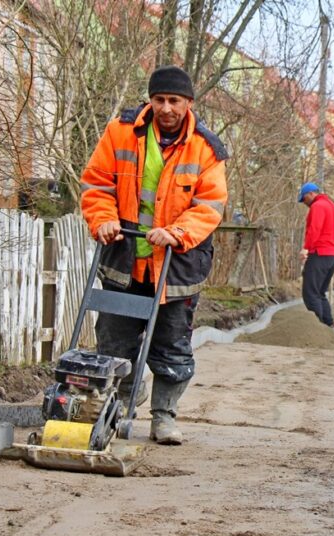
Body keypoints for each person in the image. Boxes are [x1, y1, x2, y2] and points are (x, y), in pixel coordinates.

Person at [80, 65, 228, 445]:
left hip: (176, 265)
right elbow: (96, 183)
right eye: (159, 99)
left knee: (172, 345)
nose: (166, 108)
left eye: (174, 101)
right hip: (124, 257)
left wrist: (176, 233)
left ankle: (164, 416)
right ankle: (120, 402)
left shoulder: (207, 148)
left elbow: (210, 205)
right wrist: (104, 220)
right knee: (115, 341)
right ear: (150, 100)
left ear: (189, 103)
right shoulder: (120, 132)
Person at [298, 182, 334, 327]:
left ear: (311, 193)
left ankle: (317, 328)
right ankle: (328, 324)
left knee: (310, 293)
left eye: (304, 199)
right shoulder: (333, 207)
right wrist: (332, 245)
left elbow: (314, 229)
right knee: (320, 293)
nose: (304, 203)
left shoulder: (317, 206)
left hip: (319, 254)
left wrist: (306, 248)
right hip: (332, 256)